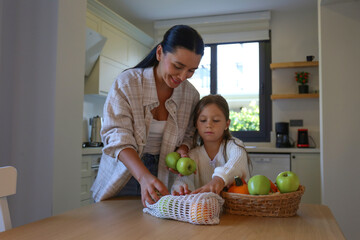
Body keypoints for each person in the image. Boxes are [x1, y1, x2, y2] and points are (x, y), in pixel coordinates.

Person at [91, 25, 205, 207]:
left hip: (163, 175)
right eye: (178, 66)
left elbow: (189, 135)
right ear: (160, 53)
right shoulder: (128, 82)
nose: (183, 76)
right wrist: (143, 176)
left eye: (191, 70)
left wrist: (183, 149)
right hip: (123, 173)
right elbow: (117, 135)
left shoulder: (191, 96)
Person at [171, 94, 251, 196]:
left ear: (227, 124)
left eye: (216, 120)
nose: (209, 125)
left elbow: (237, 162)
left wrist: (219, 179)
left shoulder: (235, 146)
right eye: (203, 120)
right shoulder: (192, 155)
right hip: (203, 210)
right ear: (196, 124)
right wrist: (181, 190)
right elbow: (182, 180)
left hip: (235, 209)